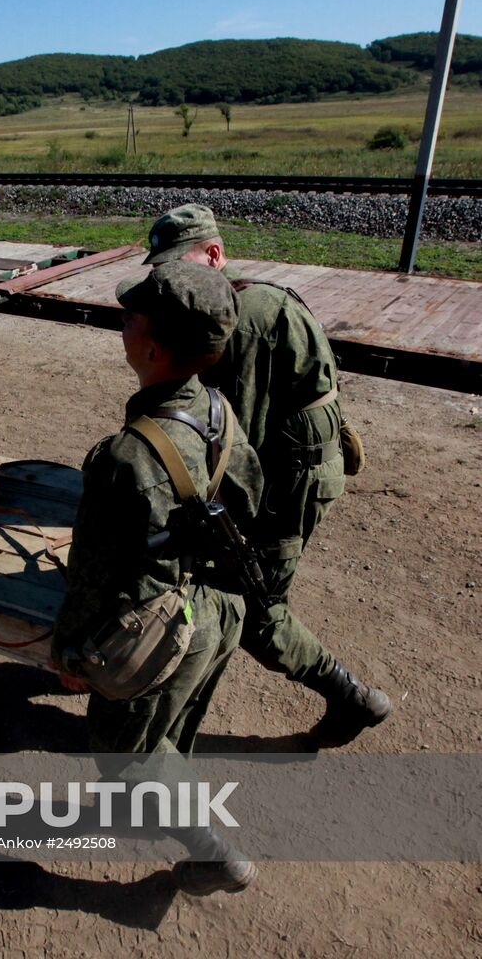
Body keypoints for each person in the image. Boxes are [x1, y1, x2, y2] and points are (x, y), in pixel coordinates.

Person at [142, 204, 391, 747]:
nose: (165, 279)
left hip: (288, 480)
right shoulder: (231, 301)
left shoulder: (244, 314)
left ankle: (352, 699)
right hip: (290, 465)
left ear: (213, 254)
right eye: (159, 270)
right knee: (228, 591)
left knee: (250, 607)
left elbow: (237, 442)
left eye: (174, 266)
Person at [53, 260, 264, 895]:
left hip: (161, 628)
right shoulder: (218, 408)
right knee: (173, 726)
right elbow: (250, 494)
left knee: (127, 754)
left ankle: (215, 855)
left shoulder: (126, 455)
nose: (123, 320)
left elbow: (92, 572)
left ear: (150, 347)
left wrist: (70, 651)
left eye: (132, 315)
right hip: (218, 609)